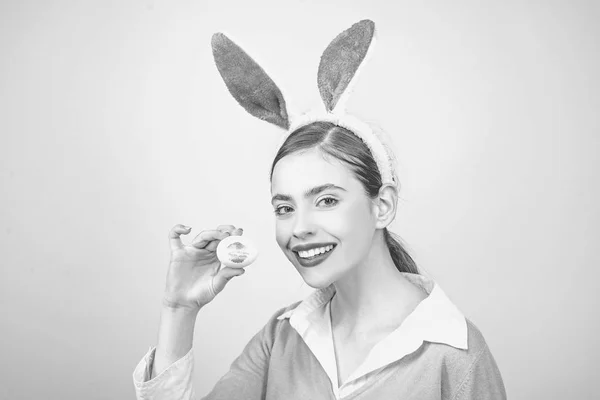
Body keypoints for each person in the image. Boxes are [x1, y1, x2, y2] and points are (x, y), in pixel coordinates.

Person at [133, 20, 507, 400]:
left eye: (326, 200)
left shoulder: (456, 356)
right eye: (284, 207)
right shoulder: (281, 338)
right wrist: (179, 310)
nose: (299, 228)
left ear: (383, 206)